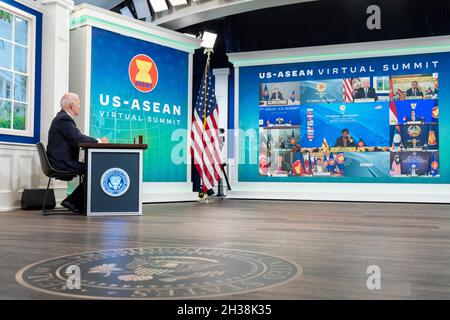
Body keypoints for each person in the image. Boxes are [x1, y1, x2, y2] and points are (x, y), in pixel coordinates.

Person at [47, 93, 108, 213]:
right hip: (62, 163)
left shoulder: (62, 118)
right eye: (79, 104)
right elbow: (78, 139)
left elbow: (76, 138)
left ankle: (74, 202)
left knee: (93, 168)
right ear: (72, 105)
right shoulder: (64, 119)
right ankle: (73, 202)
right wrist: (100, 141)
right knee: (95, 169)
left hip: (61, 161)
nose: (80, 107)